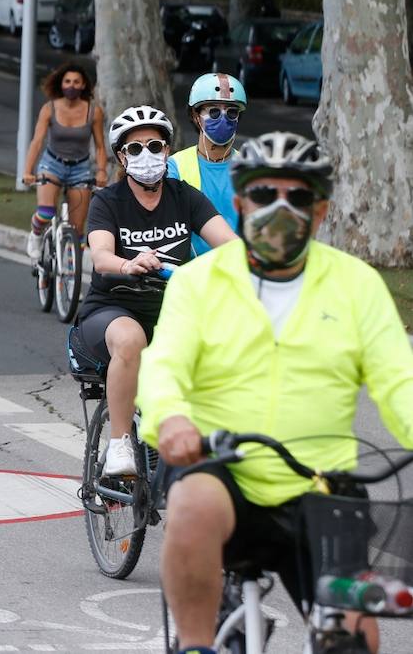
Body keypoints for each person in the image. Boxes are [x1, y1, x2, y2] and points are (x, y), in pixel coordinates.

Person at [140, 132, 413, 654]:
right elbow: (165, 365)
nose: (280, 209)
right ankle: (196, 644)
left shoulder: (357, 285)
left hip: (323, 487)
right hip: (222, 469)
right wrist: (170, 420)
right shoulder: (200, 282)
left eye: (298, 196)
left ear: (322, 209)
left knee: (355, 640)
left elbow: (399, 381)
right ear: (240, 203)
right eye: (265, 195)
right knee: (192, 504)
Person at [76, 105, 237, 478]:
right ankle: (119, 444)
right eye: (135, 148)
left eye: (155, 145)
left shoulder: (185, 197)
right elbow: (100, 256)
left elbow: (229, 245)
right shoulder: (107, 201)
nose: (146, 154)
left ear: (167, 150)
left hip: (173, 312)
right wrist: (127, 264)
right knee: (131, 340)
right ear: (121, 156)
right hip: (112, 309)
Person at [21, 62, 108, 256]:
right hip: (52, 164)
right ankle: (36, 234)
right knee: (46, 213)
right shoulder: (49, 108)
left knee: (77, 229)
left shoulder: (94, 112)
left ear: (84, 85)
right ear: (61, 84)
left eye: (77, 82)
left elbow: (100, 146)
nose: (71, 86)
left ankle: (68, 274)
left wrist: (101, 171)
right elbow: (37, 142)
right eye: (67, 81)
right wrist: (28, 171)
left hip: (81, 168)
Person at [168, 73, 248, 256]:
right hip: (192, 274)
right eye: (213, 111)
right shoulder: (175, 166)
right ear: (196, 116)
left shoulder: (249, 167)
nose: (223, 118)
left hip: (239, 269)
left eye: (232, 112)